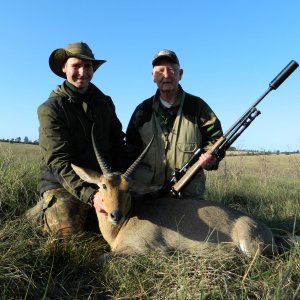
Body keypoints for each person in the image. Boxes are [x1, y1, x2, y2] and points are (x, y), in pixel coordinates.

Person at [26, 42, 126, 237]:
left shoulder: (105, 103)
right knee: (69, 229)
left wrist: (121, 182)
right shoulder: (51, 109)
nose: (82, 72)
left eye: (87, 66)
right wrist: (92, 196)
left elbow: (117, 143)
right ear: (64, 68)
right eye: (76, 66)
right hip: (63, 183)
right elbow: (58, 162)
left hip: (102, 181)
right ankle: (40, 214)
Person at [126, 49, 224, 199]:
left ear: (180, 74)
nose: (166, 75)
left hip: (187, 196)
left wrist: (211, 160)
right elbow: (129, 153)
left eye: (171, 70)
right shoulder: (142, 111)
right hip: (147, 196)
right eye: (160, 71)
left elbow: (216, 140)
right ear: (153, 76)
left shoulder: (197, 106)